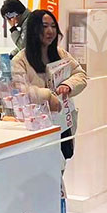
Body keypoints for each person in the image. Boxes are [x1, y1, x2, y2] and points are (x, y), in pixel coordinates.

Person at [11, 9, 87, 160]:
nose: (50, 31)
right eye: (44, 26)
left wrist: (68, 85)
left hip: (63, 120)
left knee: (62, 162)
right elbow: (21, 91)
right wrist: (47, 96)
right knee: (42, 164)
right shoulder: (20, 60)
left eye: (53, 26)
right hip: (37, 125)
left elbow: (80, 75)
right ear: (34, 29)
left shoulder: (61, 54)